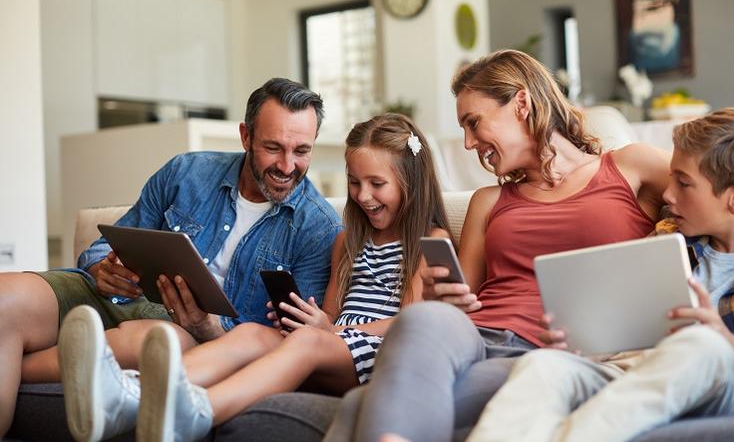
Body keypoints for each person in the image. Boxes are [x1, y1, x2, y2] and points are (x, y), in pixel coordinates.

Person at [323, 49, 671, 442]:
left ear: (521, 103)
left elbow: (719, 186)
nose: (470, 143)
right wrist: (442, 294)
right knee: (425, 318)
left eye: (474, 123)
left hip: (542, 348)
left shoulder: (630, 167)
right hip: (471, 336)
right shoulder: (488, 201)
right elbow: (461, 298)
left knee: (358, 405)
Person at [58, 113, 453, 442]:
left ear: (410, 182)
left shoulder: (427, 241)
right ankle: (135, 394)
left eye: (377, 184)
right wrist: (317, 322)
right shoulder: (347, 240)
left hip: (379, 352)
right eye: (354, 183)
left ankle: (199, 413)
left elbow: (412, 322)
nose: (363, 195)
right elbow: (331, 314)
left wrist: (327, 334)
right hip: (333, 345)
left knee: (307, 344)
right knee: (252, 333)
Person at [0, 77, 341, 437]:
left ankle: (25, 363)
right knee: (7, 297)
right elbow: (108, 242)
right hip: (115, 297)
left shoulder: (318, 229)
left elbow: (281, 347)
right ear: (246, 137)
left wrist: (207, 327)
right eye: (273, 147)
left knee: (154, 341)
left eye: (301, 151)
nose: (287, 166)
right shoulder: (187, 172)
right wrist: (102, 267)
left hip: (188, 336)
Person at [467, 108, 734, 442]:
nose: (667, 194)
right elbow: (619, 323)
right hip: (625, 369)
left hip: (720, 381)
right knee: (543, 367)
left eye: (684, 183)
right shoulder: (668, 238)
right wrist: (581, 341)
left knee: (701, 344)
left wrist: (722, 337)